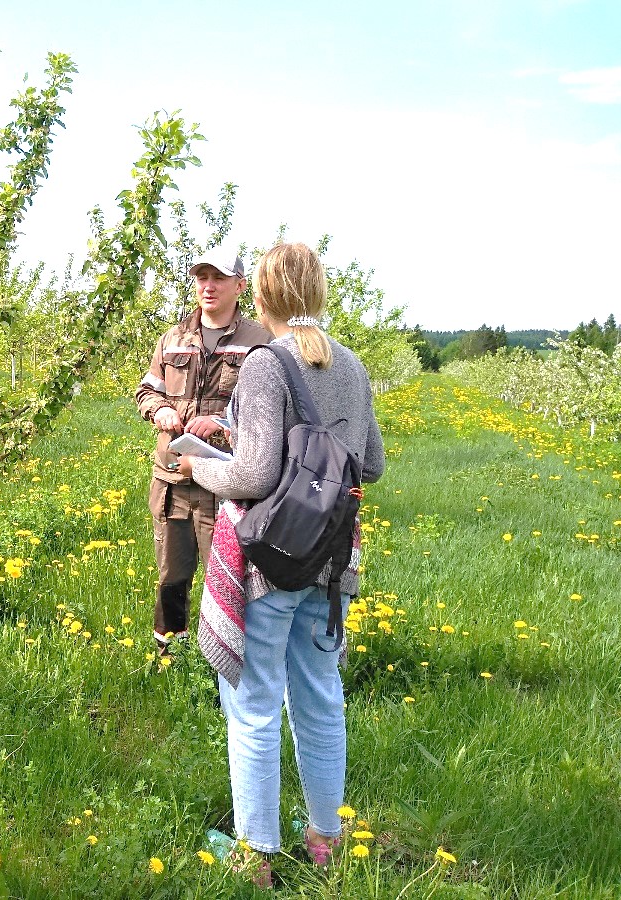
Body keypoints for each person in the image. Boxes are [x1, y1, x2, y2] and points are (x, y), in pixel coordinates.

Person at [176, 242, 386, 883]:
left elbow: (254, 473)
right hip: (330, 560)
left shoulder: (266, 363)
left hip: (267, 561)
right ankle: (326, 838)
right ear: (318, 294)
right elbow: (370, 464)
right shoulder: (350, 363)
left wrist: (197, 465)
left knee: (255, 703)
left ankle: (255, 858)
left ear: (260, 296)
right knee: (322, 698)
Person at [135, 246, 271, 653]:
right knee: (171, 575)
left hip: (224, 481)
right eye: (201, 278)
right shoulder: (173, 338)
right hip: (173, 478)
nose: (207, 287)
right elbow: (146, 390)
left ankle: (221, 661)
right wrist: (157, 409)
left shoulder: (258, 343)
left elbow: (269, 412)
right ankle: (168, 652)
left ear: (240, 286)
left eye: (218, 279)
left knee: (226, 578)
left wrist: (222, 422)